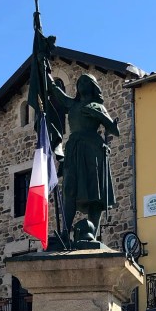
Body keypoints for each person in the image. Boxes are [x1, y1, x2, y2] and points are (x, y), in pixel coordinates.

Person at [47, 73, 120, 244]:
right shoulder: (72, 104)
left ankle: (92, 233)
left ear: (93, 86)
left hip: (93, 149)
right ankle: (65, 232)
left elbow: (113, 130)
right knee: (69, 189)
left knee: (96, 193)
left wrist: (100, 116)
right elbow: (58, 93)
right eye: (79, 82)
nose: (81, 84)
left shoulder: (97, 106)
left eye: (86, 81)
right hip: (74, 149)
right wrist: (46, 72)